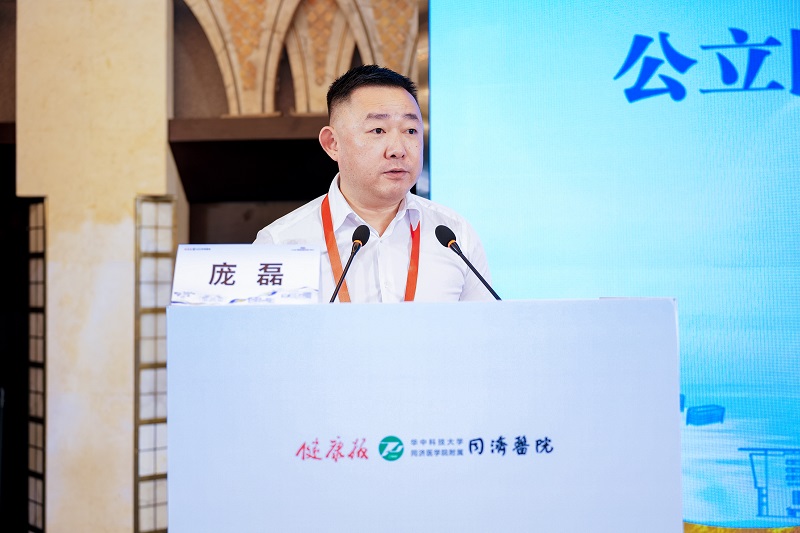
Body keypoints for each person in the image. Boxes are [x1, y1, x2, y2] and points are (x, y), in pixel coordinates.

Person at [254, 64, 493, 303]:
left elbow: (485, 324)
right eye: (378, 130)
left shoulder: (455, 236)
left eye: (410, 130)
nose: (398, 149)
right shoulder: (281, 243)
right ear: (333, 144)